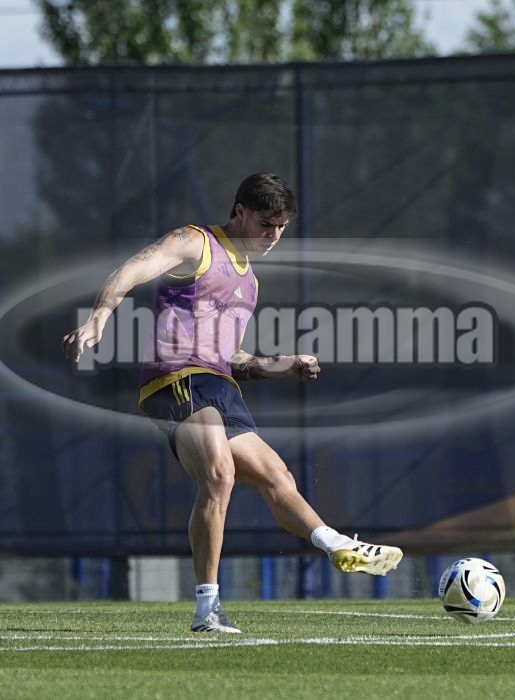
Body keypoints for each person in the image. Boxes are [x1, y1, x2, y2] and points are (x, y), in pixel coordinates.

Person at [63, 172, 403, 633]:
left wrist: (282, 365)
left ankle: (337, 544)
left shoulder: (251, 282)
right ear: (240, 211)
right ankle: (207, 609)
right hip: (177, 378)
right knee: (219, 475)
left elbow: (231, 356)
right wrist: (100, 315)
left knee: (276, 476)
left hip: (220, 386)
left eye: (281, 227)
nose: (273, 235)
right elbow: (135, 267)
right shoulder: (196, 243)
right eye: (265, 224)